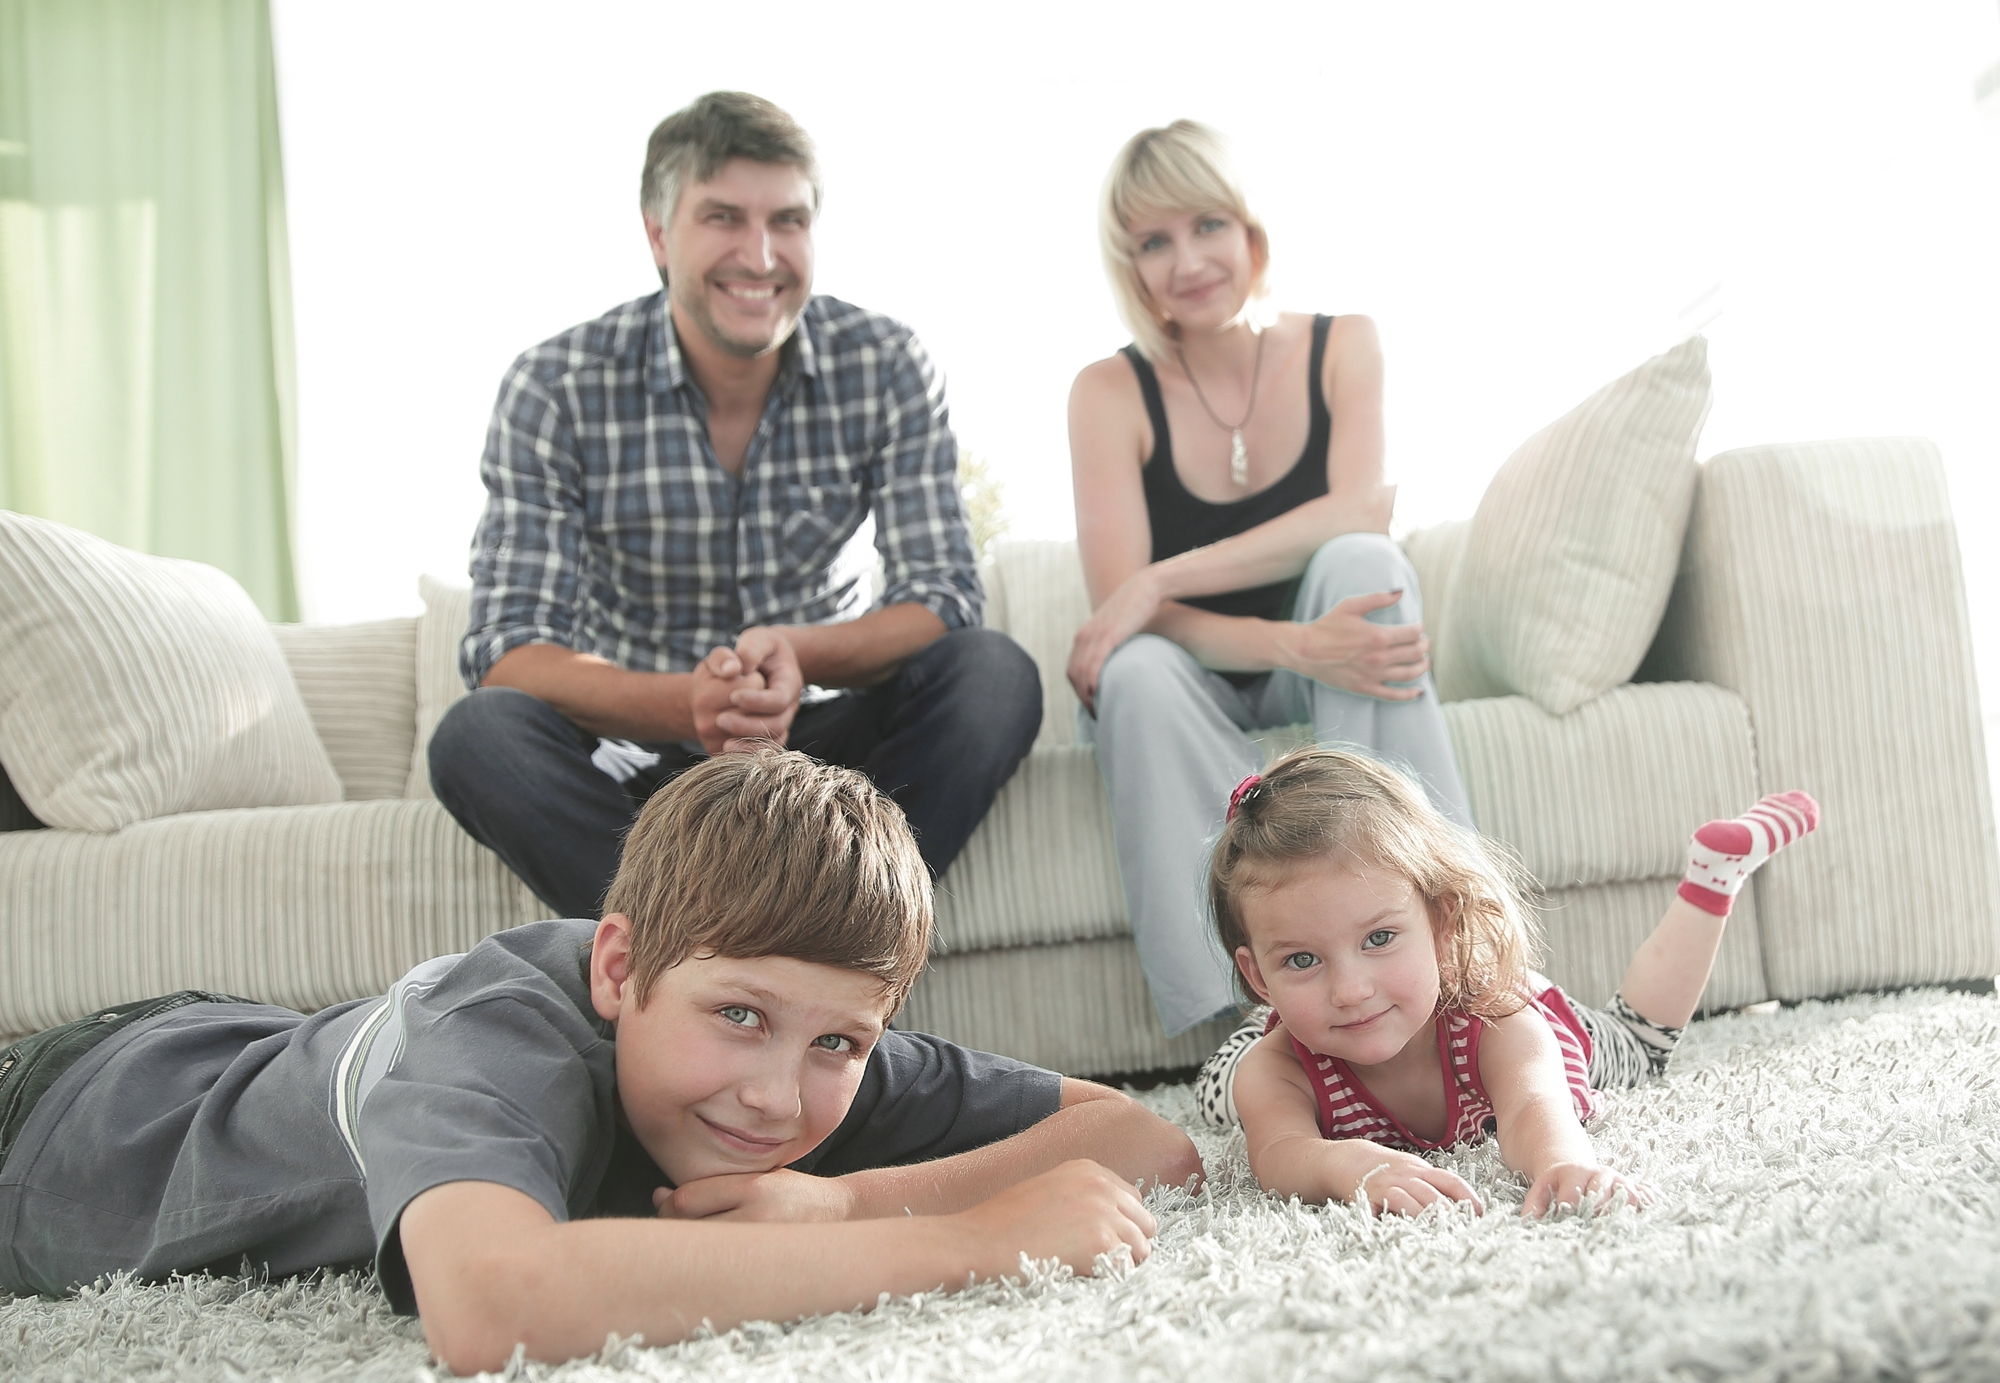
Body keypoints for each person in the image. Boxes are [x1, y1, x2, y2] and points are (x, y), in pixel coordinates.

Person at [0, 751, 1199, 1372]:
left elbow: (1141, 1137)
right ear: (618, 971)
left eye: (837, 1043)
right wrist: (967, 1240)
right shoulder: (499, 1033)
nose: (776, 1094)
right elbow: (489, 1307)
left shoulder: (794, 1027)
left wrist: (836, 1195)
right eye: (737, 1018)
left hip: (251, 1038)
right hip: (69, 1115)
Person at [429, 91, 1040, 920]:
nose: (760, 256)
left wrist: (797, 651)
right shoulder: (557, 385)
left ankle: (847, 934)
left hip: (825, 749)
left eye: (787, 221)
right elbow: (506, 649)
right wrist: (688, 700)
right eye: (723, 217)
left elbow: (943, 596)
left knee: (993, 673)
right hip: (643, 757)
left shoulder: (886, 362)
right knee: (478, 736)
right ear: (657, 233)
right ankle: (717, 948)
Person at [1067, 119, 1472, 1042]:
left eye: (1207, 224)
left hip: (1329, 666)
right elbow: (1134, 630)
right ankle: (1241, 1026)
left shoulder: (1343, 345)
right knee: (1132, 672)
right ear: (1129, 267)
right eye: (1153, 243)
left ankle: (1456, 960)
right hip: (1186, 674)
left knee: (1366, 564)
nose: (1188, 261)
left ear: (1251, 230)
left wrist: (1160, 577)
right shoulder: (1106, 392)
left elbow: (1359, 509)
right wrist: (1284, 639)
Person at [1202, 748, 1818, 1216]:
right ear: (1255, 972)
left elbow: (1533, 1109)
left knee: (1639, 1042)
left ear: (1443, 924)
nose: (1352, 989)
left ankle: (1713, 879)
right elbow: (1280, 1154)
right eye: (1302, 960)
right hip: (1308, 1030)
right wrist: (1345, 1164)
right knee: (1235, 1081)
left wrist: (1565, 1164)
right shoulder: (1277, 1066)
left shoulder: (1499, 1023)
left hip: (1529, 1015)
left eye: (1379, 939)